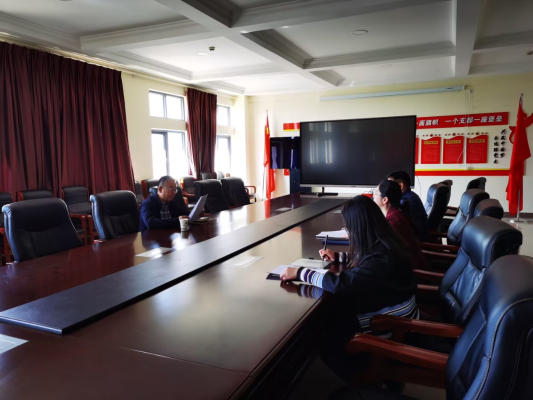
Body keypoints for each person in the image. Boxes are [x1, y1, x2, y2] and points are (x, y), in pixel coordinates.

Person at [279, 196, 418, 381]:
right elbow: (367, 263)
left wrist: (301, 273)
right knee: (333, 310)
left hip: (393, 317)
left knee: (324, 333)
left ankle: (363, 377)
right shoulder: (384, 240)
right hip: (396, 300)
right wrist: (339, 257)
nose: (347, 230)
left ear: (359, 226)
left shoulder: (381, 257)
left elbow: (341, 284)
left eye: (348, 226)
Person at [373, 179, 427, 271]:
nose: (373, 196)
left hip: (411, 273)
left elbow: (378, 245)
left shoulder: (394, 221)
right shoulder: (395, 213)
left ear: (385, 200)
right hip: (403, 267)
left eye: (376, 193)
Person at [387, 170, 430, 242]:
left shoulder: (407, 201)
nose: (387, 187)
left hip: (418, 243)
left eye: (390, 184)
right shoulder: (409, 196)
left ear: (401, 186)